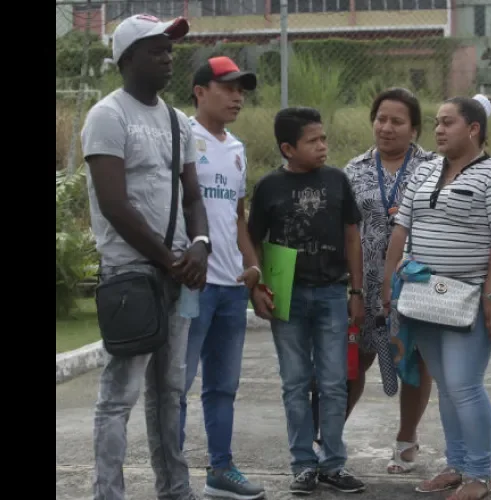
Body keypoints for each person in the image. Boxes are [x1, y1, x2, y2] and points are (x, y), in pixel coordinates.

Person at [81, 13, 210, 500]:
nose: (168, 57)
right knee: (119, 396)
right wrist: (166, 258)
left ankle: (175, 488)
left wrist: (198, 246)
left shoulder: (178, 122)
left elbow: (194, 197)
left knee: (170, 392)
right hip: (130, 274)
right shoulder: (107, 116)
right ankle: (107, 492)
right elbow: (115, 203)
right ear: (128, 57)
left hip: (177, 270)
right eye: (157, 49)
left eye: (170, 49)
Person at [382, 96, 491, 500]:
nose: (438, 130)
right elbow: (401, 230)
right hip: (422, 296)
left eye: (448, 123)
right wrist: (390, 287)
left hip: (469, 298)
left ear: (474, 129)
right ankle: (456, 465)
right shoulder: (423, 171)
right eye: (437, 123)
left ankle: (480, 473)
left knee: (464, 384)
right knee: (445, 384)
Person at [247, 106, 367, 496]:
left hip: (333, 294)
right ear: (287, 148)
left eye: (323, 138)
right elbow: (252, 243)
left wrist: (356, 291)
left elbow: (352, 237)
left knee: (334, 382)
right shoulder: (268, 188)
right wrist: (258, 288)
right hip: (288, 299)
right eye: (312, 141)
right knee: (295, 383)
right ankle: (303, 464)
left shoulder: (337, 181)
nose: (323, 146)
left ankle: (333, 464)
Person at [326, 87, 438, 474]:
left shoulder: (434, 168)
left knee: (415, 362)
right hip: (364, 284)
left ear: (415, 128)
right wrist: (351, 287)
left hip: (414, 286)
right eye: (381, 119)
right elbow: (342, 231)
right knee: (353, 364)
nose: (386, 128)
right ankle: (327, 440)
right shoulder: (352, 170)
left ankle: (407, 440)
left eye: (397, 121)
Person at [176, 56, 265, 499]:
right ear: (199, 91)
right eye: (228, 88)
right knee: (177, 384)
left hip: (232, 288)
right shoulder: (179, 136)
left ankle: (221, 471)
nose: (237, 97)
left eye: (241, 90)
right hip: (193, 283)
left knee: (222, 387)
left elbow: (237, 216)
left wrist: (252, 268)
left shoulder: (237, 148)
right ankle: (172, 477)